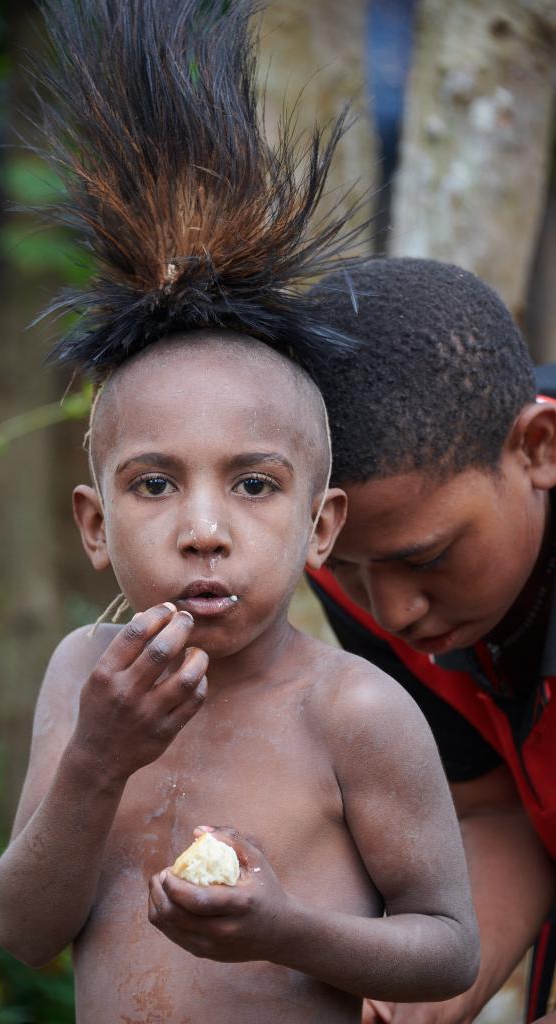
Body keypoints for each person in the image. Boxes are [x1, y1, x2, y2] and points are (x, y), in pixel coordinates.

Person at [0, 3, 479, 1020]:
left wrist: (284, 929)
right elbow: (26, 932)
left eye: (252, 485)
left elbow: (445, 949)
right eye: (153, 483)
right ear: (92, 525)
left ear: (320, 526)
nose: (202, 528)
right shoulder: (84, 678)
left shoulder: (351, 711)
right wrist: (95, 760)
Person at [308, 257, 556, 1024]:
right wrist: (411, 1000)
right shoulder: (354, 571)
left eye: (426, 558)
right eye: (346, 566)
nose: (392, 610)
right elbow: (495, 810)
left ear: (537, 449)